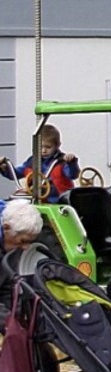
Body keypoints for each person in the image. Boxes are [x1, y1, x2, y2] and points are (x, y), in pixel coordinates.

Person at [0, 200, 49, 331]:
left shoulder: (10, 242)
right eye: (23, 241)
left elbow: (6, 288)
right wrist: (11, 326)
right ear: (6, 228)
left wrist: (21, 324)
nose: (26, 247)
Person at [0, 126, 79, 203]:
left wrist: (71, 163)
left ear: (57, 145)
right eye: (40, 147)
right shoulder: (32, 162)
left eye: (48, 147)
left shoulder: (61, 161)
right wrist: (5, 168)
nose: (44, 150)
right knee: (19, 200)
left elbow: (72, 175)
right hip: (37, 199)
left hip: (59, 202)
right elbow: (16, 174)